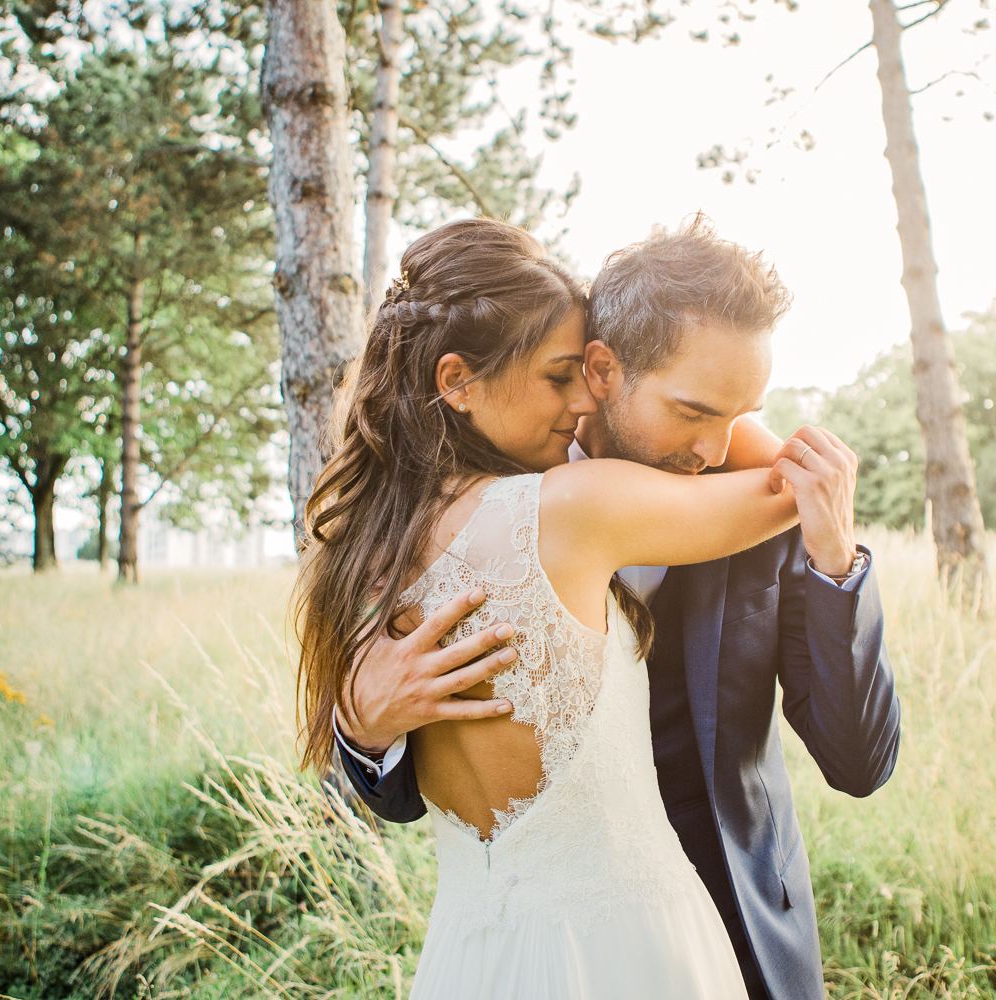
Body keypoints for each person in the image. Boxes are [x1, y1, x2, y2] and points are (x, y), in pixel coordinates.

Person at [335, 217, 901, 1000]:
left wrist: (836, 557)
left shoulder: (765, 511)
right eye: (693, 411)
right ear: (601, 369)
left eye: (738, 417)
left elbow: (860, 762)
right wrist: (364, 730)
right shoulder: (470, 511)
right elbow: (409, 795)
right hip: (549, 949)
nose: (711, 447)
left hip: (738, 934)